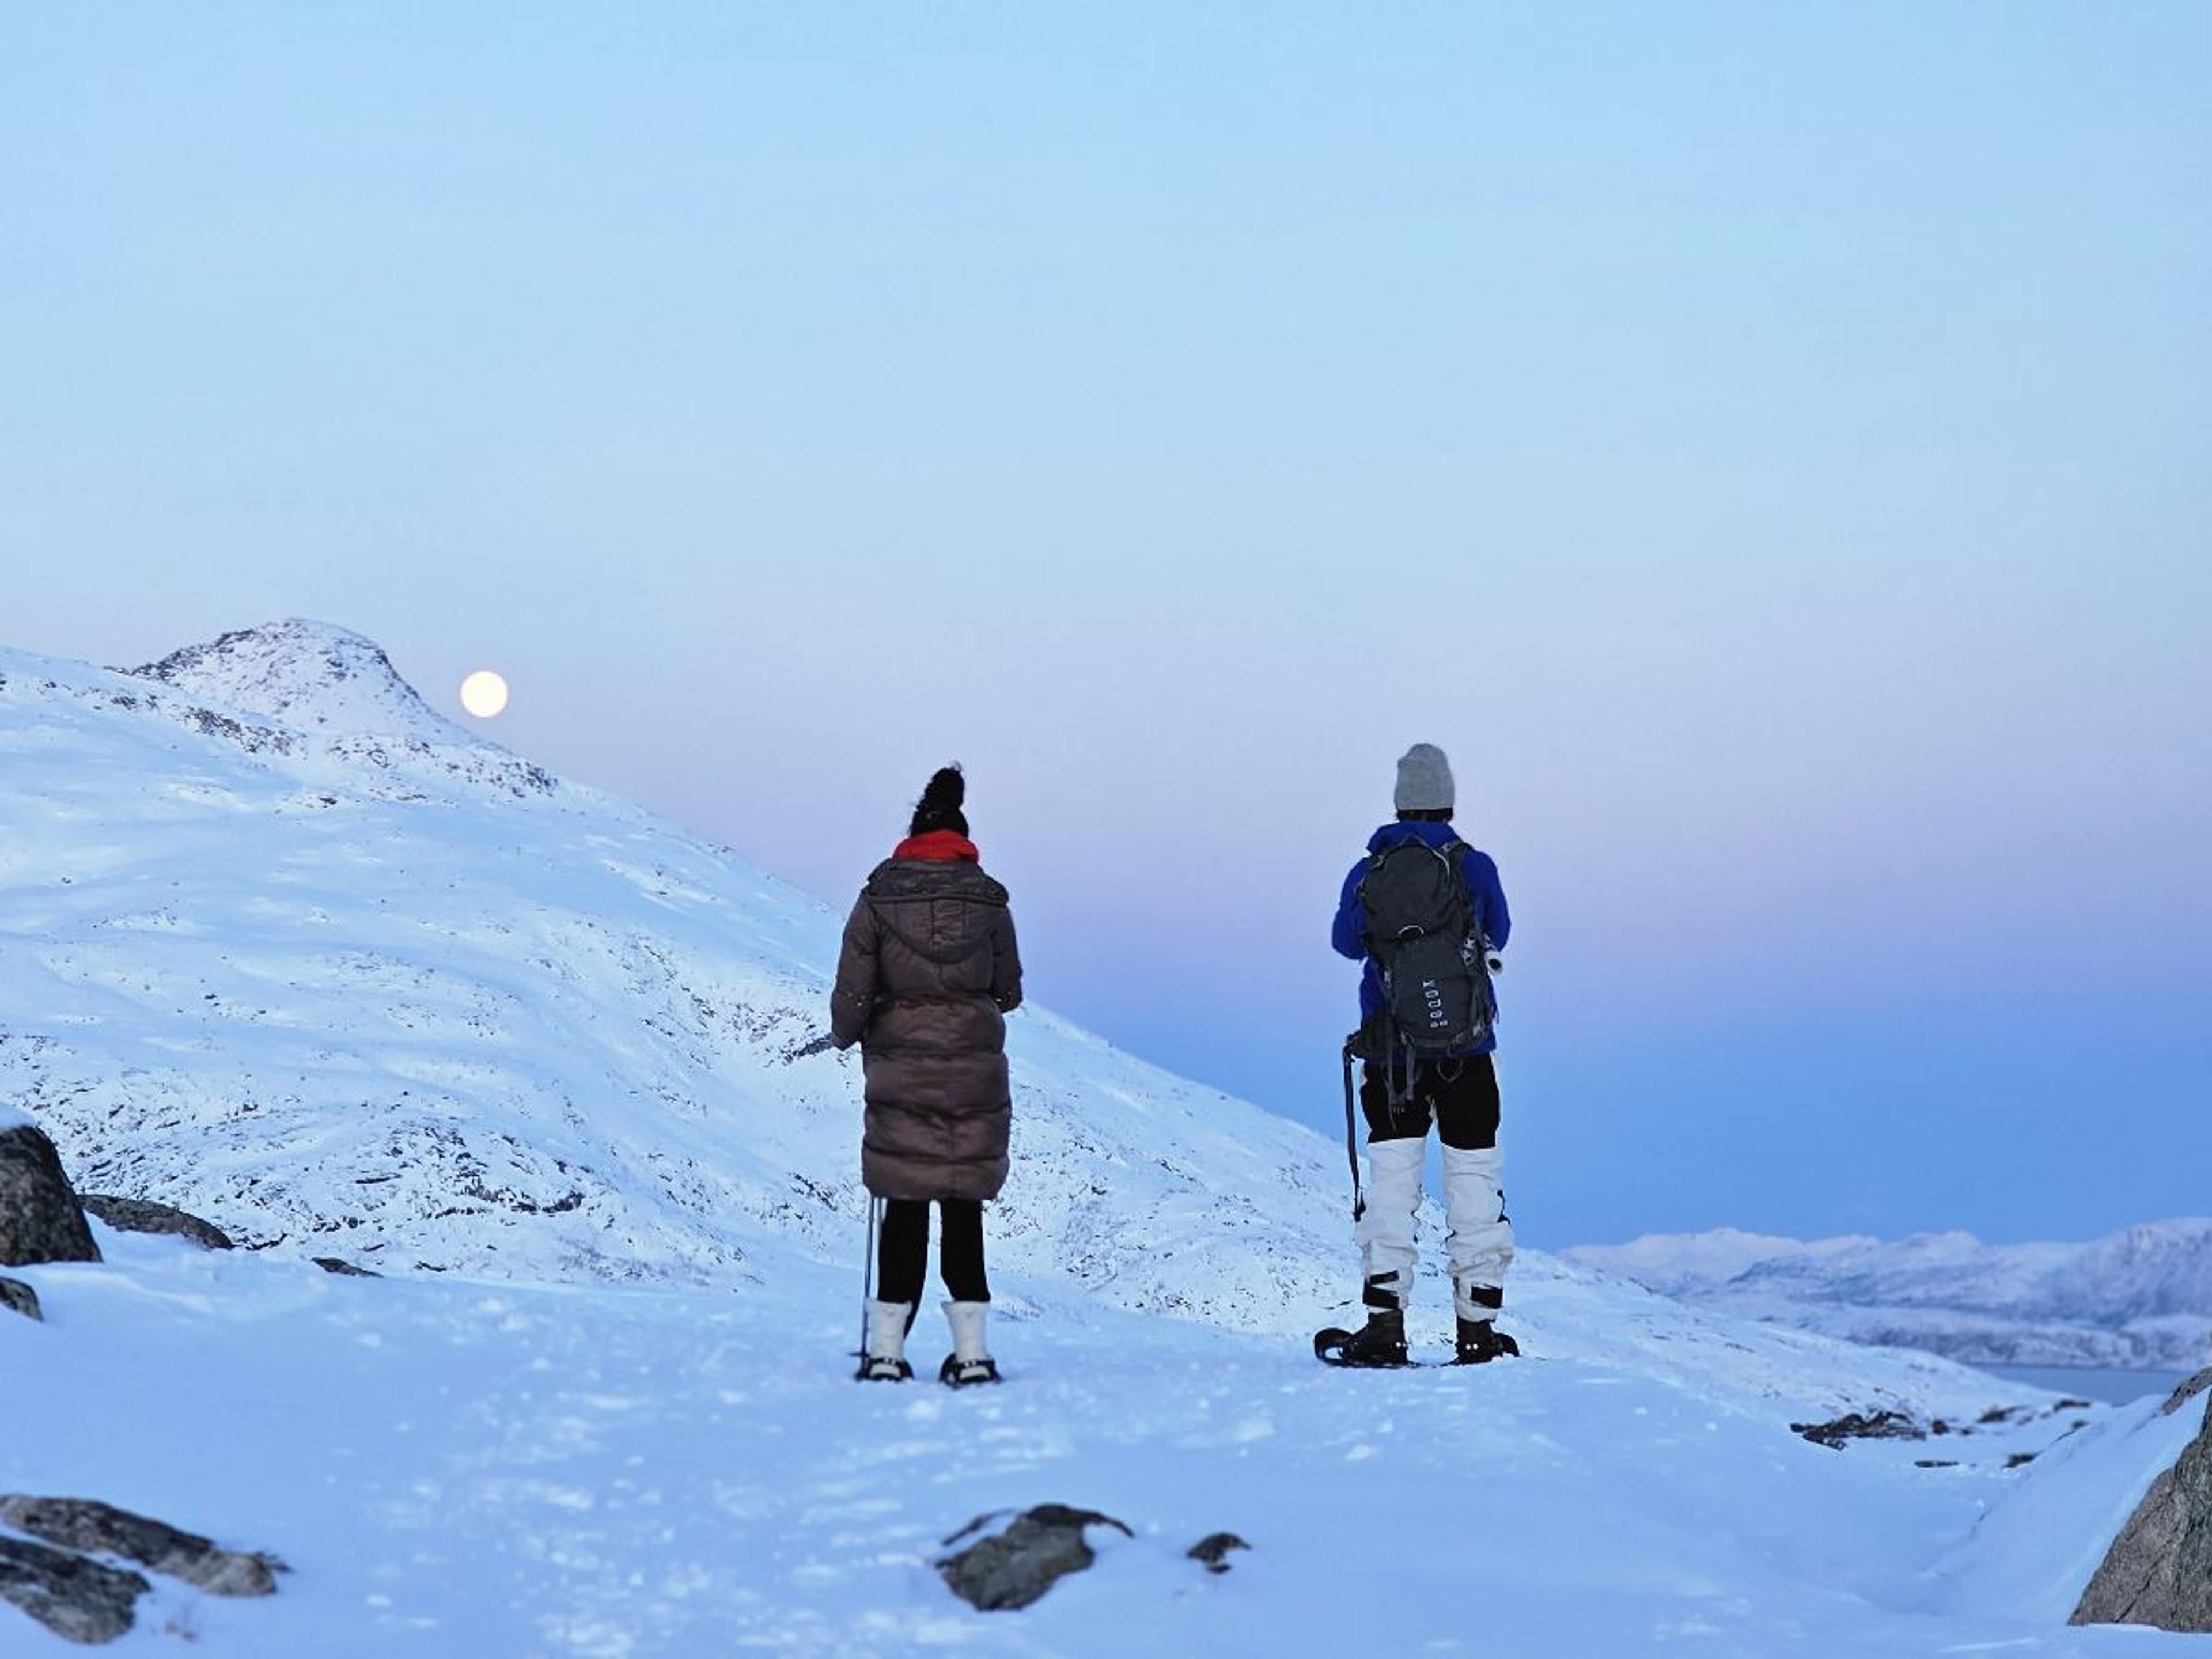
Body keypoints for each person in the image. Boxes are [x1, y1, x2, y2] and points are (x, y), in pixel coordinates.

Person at [1325, 742, 1518, 1366]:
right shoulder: (1474, 866)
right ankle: (1477, 1329)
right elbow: (1502, 931)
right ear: (1449, 801)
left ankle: (1385, 1326)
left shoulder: (1369, 871)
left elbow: (1344, 944)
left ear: (1400, 801)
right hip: (1468, 1050)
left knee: (1392, 1188)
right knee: (1473, 1183)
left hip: (1392, 1058)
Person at [831, 765, 1023, 1385]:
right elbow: (1008, 989)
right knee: (963, 1209)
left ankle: (886, 1353)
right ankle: (972, 1356)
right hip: (972, 1073)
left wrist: (849, 1032)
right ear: (964, 841)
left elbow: (854, 991)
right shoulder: (990, 900)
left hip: (902, 1070)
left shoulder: (878, 898)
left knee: (906, 1208)